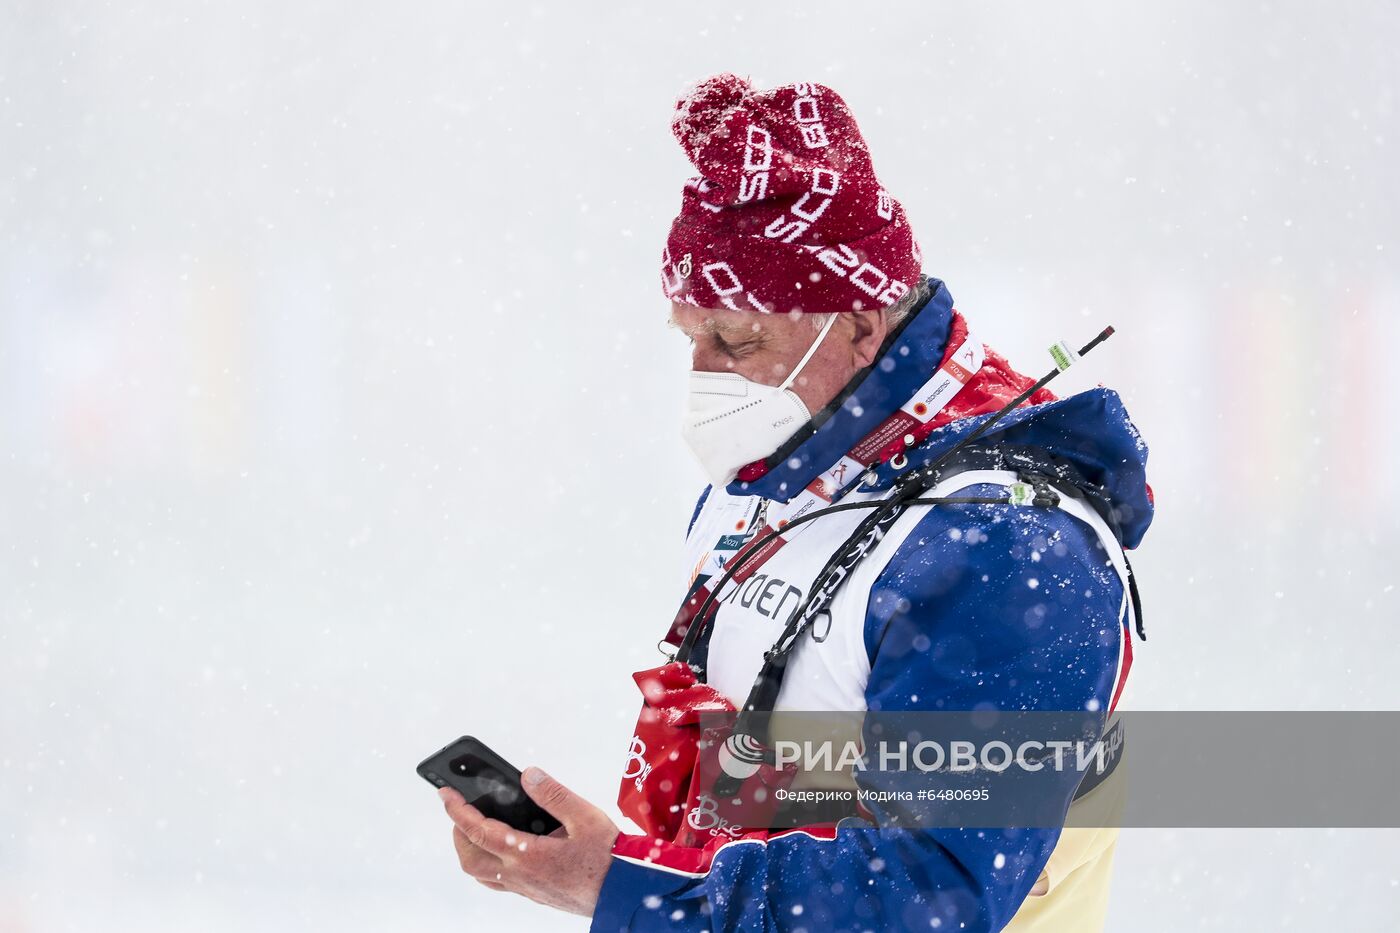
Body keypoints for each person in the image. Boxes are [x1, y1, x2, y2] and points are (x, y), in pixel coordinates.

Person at [436, 72, 1153, 932]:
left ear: (858, 322)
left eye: (737, 339)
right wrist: (618, 862)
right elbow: (771, 791)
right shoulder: (780, 472)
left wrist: (622, 890)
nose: (705, 376)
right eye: (690, 336)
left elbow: (933, 892)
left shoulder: (1005, 546)